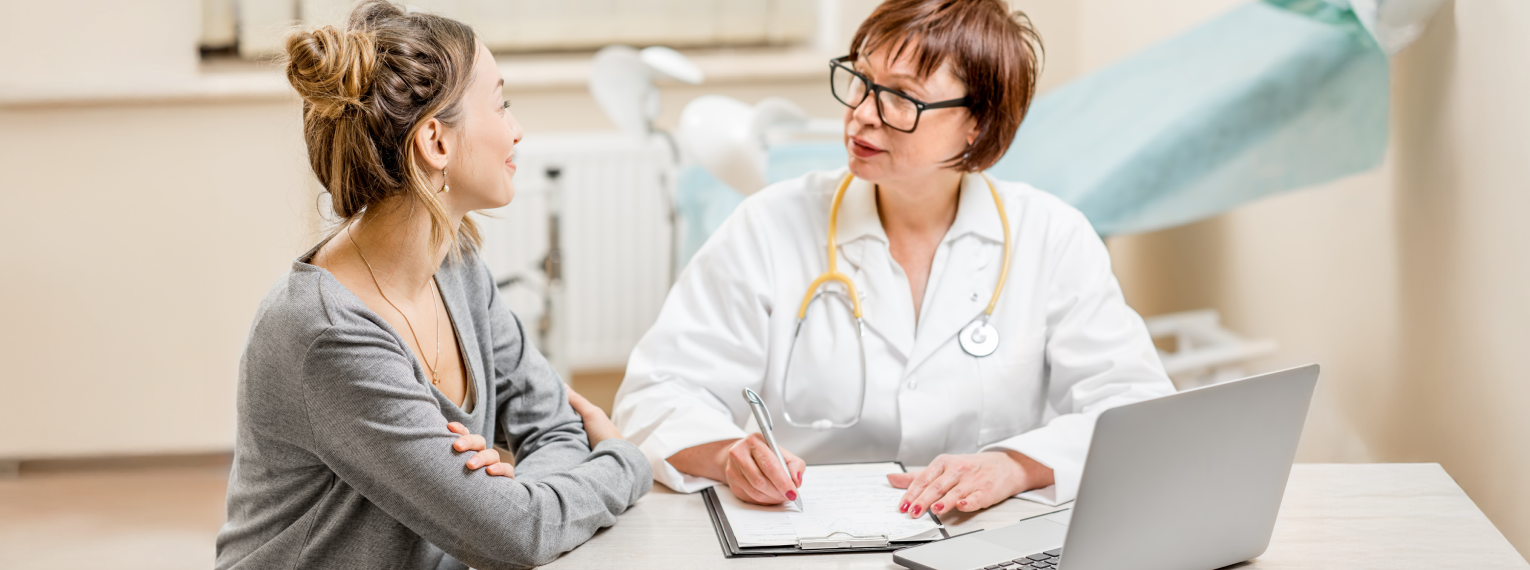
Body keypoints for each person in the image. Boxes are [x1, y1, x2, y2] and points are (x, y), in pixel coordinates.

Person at [612, 0, 1174, 520]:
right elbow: (656, 394)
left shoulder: (1051, 236)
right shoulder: (769, 225)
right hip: (808, 533)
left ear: (977, 122)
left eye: (900, 97)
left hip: (985, 532)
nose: (861, 114)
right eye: (859, 80)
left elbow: (1138, 408)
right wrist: (729, 453)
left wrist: (1014, 465)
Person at [214, 3, 650, 569]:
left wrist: (515, 504)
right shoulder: (327, 334)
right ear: (436, 143)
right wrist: (622, 461)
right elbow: (517, 535)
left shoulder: (457, 266)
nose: (516, 129)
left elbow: (553, 427)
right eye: (501, 104)